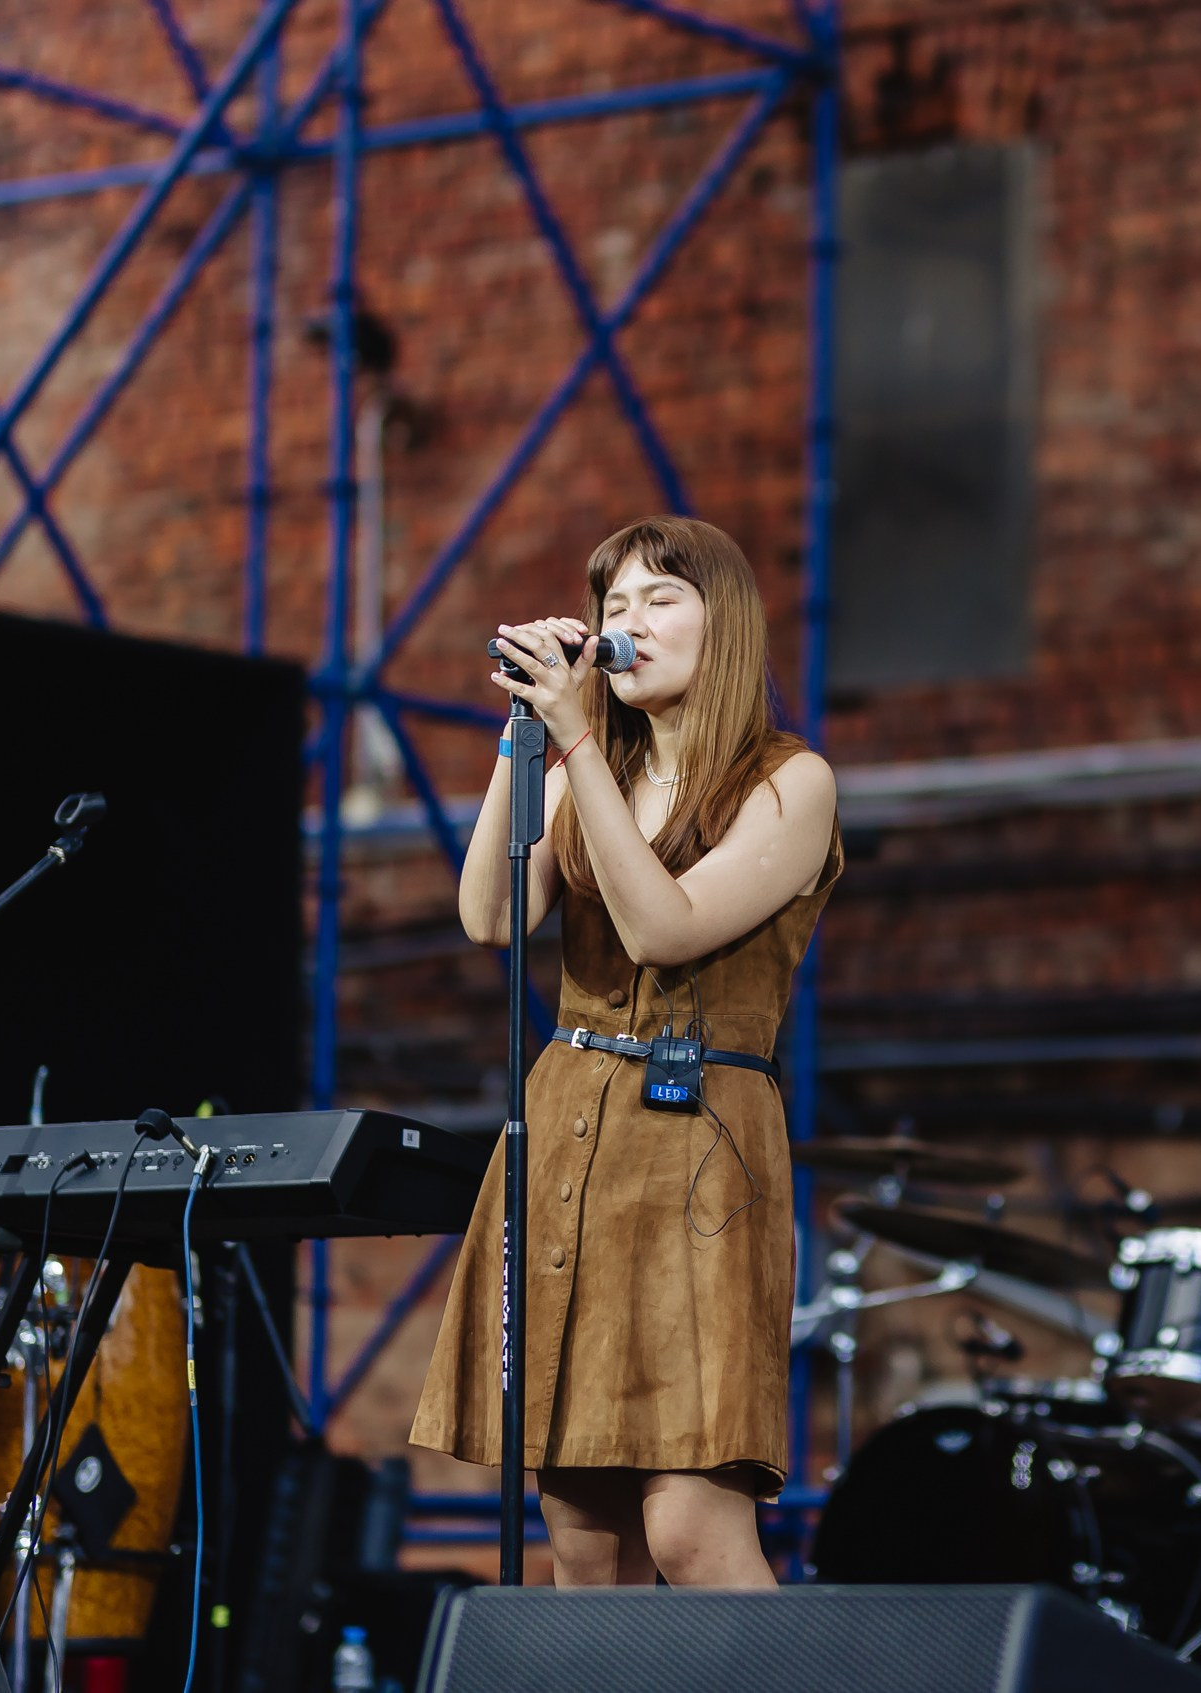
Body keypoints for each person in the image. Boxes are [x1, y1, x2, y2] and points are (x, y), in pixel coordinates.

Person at [411, 516, 841, 1588]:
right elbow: (485, 915)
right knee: (584, 1533)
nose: (629, 624)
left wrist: (577, 745)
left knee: (693, 1528)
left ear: (722, 622)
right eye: (614, 606)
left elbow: (663, 927)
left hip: (697, 1144)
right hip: (568, 1134)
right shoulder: (581, 770)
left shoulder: (788, 782)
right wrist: (528, 734)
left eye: (660, 599)